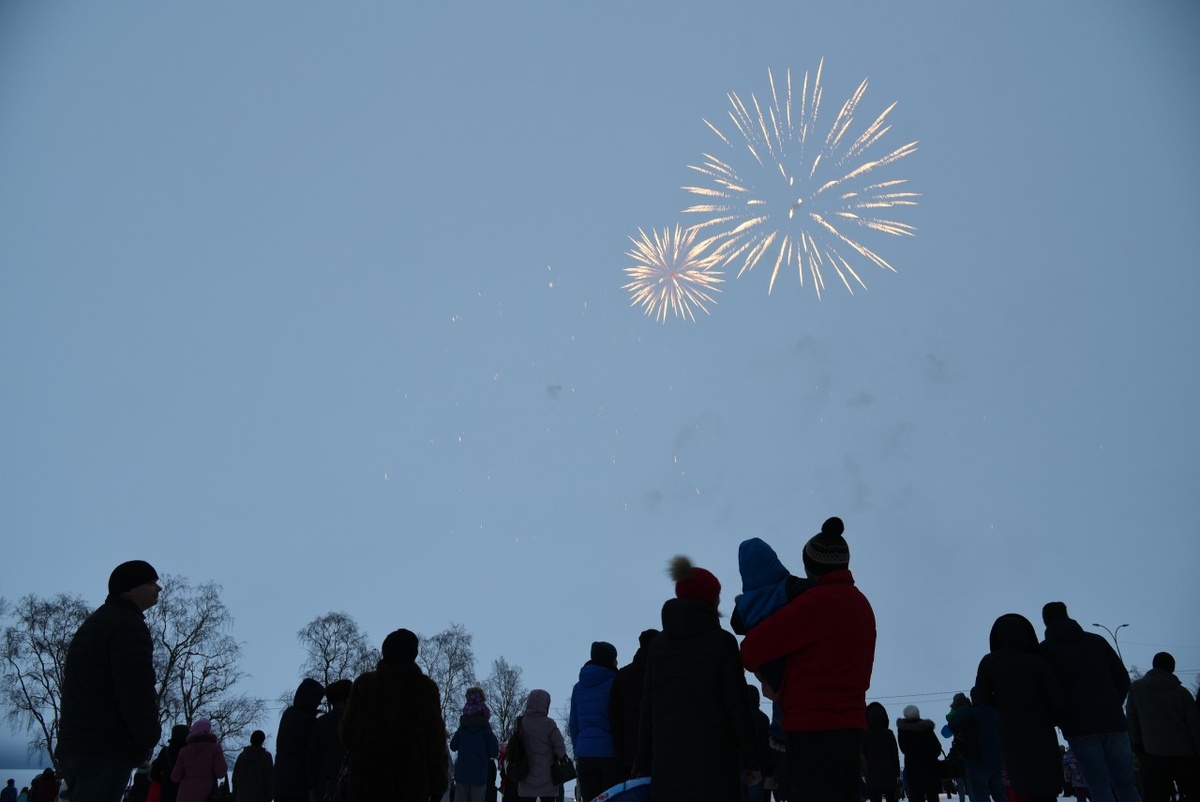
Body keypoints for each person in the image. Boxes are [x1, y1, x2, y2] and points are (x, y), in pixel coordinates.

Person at [740, 517, 877, 802]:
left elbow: (751, 651)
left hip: (812, 732)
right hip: (852, 729)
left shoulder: (814, 605)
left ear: (810, 567)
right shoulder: (861, 604)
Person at [636, 555, 761, 802]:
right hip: (716, 765)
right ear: (709, 599)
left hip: (667, 764)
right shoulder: (723, 643)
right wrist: (752, 761)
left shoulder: (659, 646)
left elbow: (647, 707)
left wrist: (641, 761)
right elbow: (737, 706)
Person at [55, 560, 163, 802]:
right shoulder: (127, 626)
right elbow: (135, 690)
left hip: (77, 746)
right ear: (128, 589)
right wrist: (149, 736)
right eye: (151, 583)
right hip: (105, 749)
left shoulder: (98, 623)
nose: (158, 588)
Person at [1039, 602, 1141, 802]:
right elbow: (1122, 678)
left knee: (1099, 788)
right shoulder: (1096, 641)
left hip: (1079, 728)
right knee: (1127, 786)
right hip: (1114, 724)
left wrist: (1061, 718)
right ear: (1067, 615)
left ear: (1046, 621)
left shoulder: (1045, 650)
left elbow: (1047, 692)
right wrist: (1113, 704)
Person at [338, 628, 449, 802]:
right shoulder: (425, 689)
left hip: (366, 784)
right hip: (411, 786)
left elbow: (346, 735)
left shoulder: (364, 685)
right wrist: (438, 785)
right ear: (414, 653)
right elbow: (435, 742)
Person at [971, 613, 1066, 802]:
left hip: (1010, 731)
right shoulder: (1037, 661)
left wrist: (1002, 708)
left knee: (1023, 786)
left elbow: (980, 695)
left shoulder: (990, 662)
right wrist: (1051, 717)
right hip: (1041, 729)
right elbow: (1058, 698)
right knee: (1045, 785)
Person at [1126, 651, 1200, 802]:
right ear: (1172, 668)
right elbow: (1195, 726)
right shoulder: (1183, 694)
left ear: (1154, 666)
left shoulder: (1136, 689)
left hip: (1152, 754)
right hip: (1184, 754)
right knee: (1192, 794)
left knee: (1156, 796)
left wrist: (1138, 747)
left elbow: (1132, 721)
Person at [568, 642, 621, 801]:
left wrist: (579, 748)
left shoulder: (578, 687)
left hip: (585, 755)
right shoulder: (615, 683)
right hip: (610, 754)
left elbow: (573, 724)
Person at [607, 628, 658, 780]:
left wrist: (620, 753)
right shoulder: (664, 672)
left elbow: (614, 717)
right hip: (663, 747)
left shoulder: (623, 675)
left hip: (631, 750)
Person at [943, 691, 1005, 802]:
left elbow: (946, 732)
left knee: (981, 795)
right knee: (999, 794)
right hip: (996, 760)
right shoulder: (995, 713)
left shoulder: (969, 713)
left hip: (976, 760)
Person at [274, 678, 325, 802]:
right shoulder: (309, 721)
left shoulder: (288, 714)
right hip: (299, 785)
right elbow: (312, 755)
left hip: (281, 784)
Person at [515, 689, 567, 802]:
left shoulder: (521, 723)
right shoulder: (549, 724)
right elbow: (560, 747)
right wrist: (560, 758)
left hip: (526, 775)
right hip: (547, 777)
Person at [449, 687, 500, 802]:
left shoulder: (462, 729)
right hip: (479, 777)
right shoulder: (486, 731)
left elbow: (453, 746)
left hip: (462, 776)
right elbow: (494, 752)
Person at [308, 679, 352, 802]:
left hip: (326, 787)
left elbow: (312, 758)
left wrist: (312, 788)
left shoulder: (320, 723)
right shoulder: (359, 720)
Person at [171, 719, 228, 802]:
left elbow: (175, 777)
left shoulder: (184, 751)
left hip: (183, 795)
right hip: (206, 795)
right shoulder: (215, 748)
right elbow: (221, 773)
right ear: (207, 731)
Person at [898, 705, 943, 802]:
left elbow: (903, 749)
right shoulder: (926, 728)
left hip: (912, 769)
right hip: (930, 768)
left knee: (916, 796)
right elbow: (937, 748)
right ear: (918, 714)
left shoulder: (902, 730)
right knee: (932, 796)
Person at [863, 702, 901, 802]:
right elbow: (895, 755)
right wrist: (897, 773)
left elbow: (863, 756)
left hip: (872, 774)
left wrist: (863, 774)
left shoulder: (865, 734)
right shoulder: (889, 733)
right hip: (890, 774)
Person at [152, 725, 192, 802]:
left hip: (166, 794)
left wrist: (165, 781)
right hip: (186, 793)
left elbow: (153, 774)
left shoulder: (165, 752)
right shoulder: (191, 752)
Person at [232, 730, 274, 802]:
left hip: (242, 798)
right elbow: (269, 779)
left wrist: (236, 795)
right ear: (262, 741)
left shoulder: (241, 756)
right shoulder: (266, 757)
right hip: (260, 798)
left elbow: (235, 778)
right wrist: (270, 796)